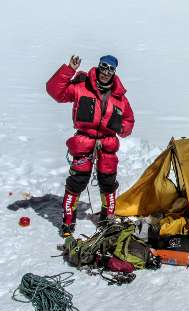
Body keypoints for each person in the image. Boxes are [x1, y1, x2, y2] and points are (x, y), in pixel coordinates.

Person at [46, 54, 134, 237]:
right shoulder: (81, 86)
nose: (106, 72)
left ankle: (106, 218)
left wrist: (121, 127)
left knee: (108, 183)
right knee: (77, 181)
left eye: (110, 68)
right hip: (84, 141)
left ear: (114, 72)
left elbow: (129, 122)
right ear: (99, 66)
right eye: (103, 66)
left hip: (107, 144)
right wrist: (69, 69)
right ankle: (68, 221)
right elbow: (56, 91)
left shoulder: (120, 98)